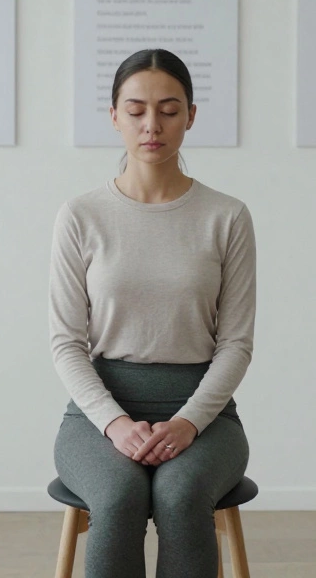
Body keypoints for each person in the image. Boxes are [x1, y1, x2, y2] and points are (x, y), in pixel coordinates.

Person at [50, 48, 256, 578]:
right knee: (117, 497)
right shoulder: (81, 215)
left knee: (182, 493)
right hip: (99, 413)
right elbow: (67, 343)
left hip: (204, 416)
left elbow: (236, 343)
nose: (152, 125)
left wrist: (188, 422)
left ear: (190, 115)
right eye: (136, 109)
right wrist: (115, 424)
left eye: (168, 109)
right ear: (114, 115)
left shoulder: (226, 216)